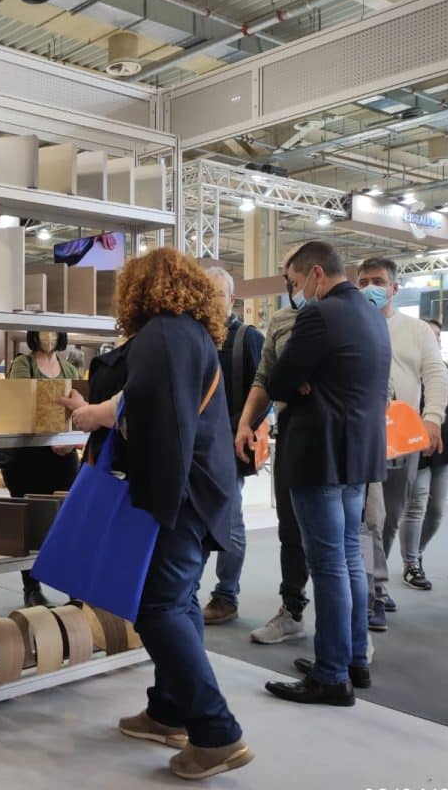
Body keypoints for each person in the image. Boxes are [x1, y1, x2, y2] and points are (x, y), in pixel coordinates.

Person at [61, 247, 251, 781]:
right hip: (199, 491)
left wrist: (154, 509)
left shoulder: (163, 336)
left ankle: (216, 733)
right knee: (178, 600)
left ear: (139, 291)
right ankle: (169, 712)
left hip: (181, 496)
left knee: (156, 606)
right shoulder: (184, 334)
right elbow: (143, 404)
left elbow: (156, 421)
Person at [263, 241, 390, 707]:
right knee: (350, 557)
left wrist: (298, 380)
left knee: (329, 563)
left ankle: (331, 674)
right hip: (358, 454)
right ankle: (352, 658)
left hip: (319, 453)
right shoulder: (372, 317)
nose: (296, 292)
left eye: (296, 282)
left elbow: (278, 380)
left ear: (317, 274)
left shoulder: (319, 315)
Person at [356, 257, 448, 633]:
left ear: (395, 288)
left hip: (402, 438)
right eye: (363, 281)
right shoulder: (351, 325)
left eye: (378, 281)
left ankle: (376, 579)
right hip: (362, 437)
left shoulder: (417, 330)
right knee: (370, 518)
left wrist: (433, 418)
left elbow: (436, 375)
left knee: (391, 515)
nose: (370, 288)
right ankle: (373, 591)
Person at [241, 257, 309, 645]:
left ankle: (355, 622)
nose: (292, 287)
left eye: (295, 279)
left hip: (340, 444)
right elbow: (266, 378)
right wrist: (246, 422)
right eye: (287, 280)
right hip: (291, 438)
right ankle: (292, 609)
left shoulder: (348, 318)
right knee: (291, 530)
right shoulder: (282, 321)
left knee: (346, 540)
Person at [201, 266, 265, 626]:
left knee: (231, 521)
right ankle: (187, 588)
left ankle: (226, 594)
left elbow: (264, 391)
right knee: (194, 519)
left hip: (229, 447)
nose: (211, 302)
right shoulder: (195, 337)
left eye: (218, 295)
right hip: (195, 448)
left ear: (232, 299)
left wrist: (244, 428)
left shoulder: (247, 339)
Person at [397, 319, 448, 590]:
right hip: (416, 441)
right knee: (416, 504)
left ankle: (417, 552)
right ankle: (411, 563)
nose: (436, 340)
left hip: (446, 442)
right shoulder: (406, 365)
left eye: (438, 336)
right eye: (431, 335)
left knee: (438, 509)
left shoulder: (443, 367)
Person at [4, 331, 81, 608]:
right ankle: (31, 587)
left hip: (63, 455)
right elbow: (22, 404)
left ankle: (75, 588)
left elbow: (78, 412)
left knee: (69, 521)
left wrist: (69, 441)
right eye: (43, 331)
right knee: (31, 522)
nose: (48, 337)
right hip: (28, 456)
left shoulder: (69, 368)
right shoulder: (22, 364)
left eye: (54, 332)